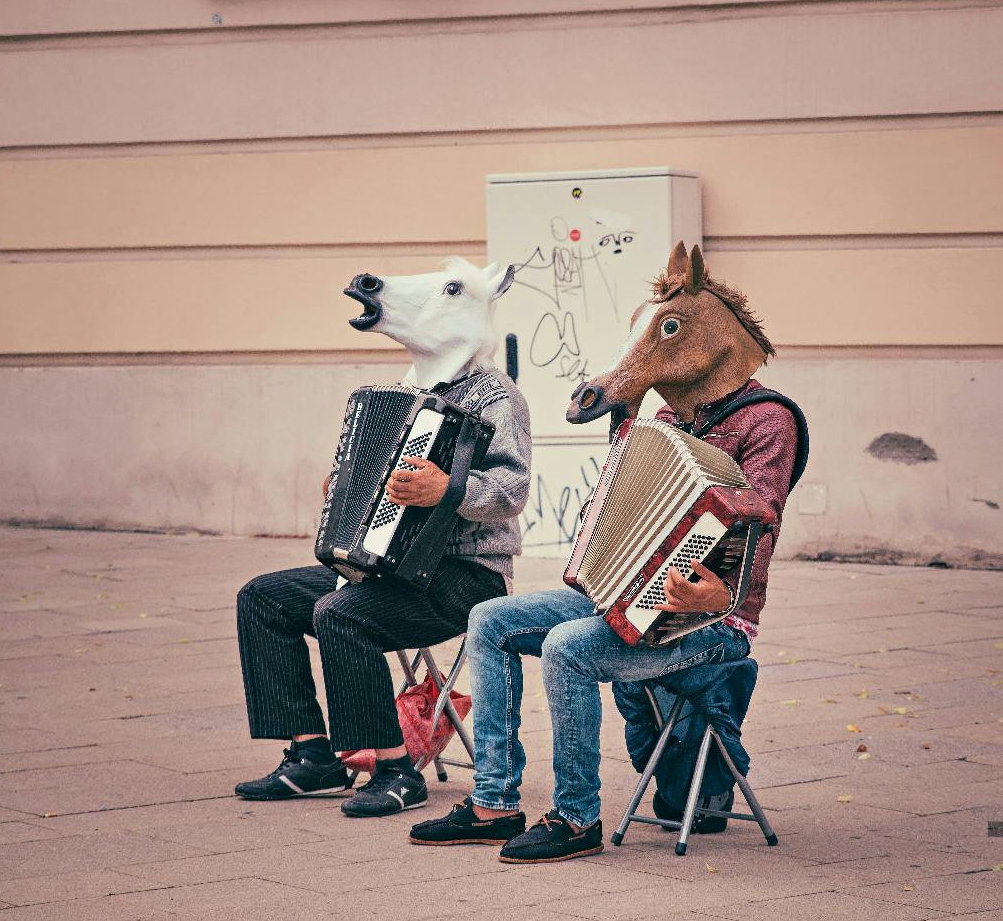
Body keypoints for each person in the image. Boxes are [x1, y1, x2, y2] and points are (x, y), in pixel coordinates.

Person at [410, 242, 804, 860]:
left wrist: (716, 592)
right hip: (624, 602)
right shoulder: (666, 425)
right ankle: (494, 800)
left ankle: (575, 818)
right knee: (489, 620)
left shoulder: (768, 422)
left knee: (568, 648)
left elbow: (760, 521)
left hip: (716, 622)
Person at [233, 261, 531, 818]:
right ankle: (311, 754)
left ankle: (396, 770)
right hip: (389, 567)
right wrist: (343, 487)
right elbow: (364, 472)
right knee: (263, 597)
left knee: (341, 613)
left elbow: (511, 491)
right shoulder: (401, 392)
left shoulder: (496, 396)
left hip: (467, 576)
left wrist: (448, 489)